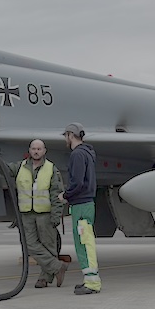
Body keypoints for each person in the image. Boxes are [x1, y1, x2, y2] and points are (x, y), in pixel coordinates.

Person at [10, 139, 68, 288]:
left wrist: (56, 215)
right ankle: (57, 267)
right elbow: (3, 168)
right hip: (27, 213)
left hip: (45, 214)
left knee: (49, 245)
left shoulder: (51, 169)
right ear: (29, 150)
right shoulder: (20, 167)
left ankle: (44, 278)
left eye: (39, 149)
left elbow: (57, 193)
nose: (36, 151)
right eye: (33, 149)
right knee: (29, 244)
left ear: (44, 151)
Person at [58, 123, 102, 294]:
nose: (65, 139)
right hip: (86, 204)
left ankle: (92, 283)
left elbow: (77, 182)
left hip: (81, 205)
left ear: (70, 135)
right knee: (85, 242)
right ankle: (89, 279)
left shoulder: (77, 155)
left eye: (65, 135)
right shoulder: (87, 153)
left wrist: (65, 195)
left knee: (84, 243)